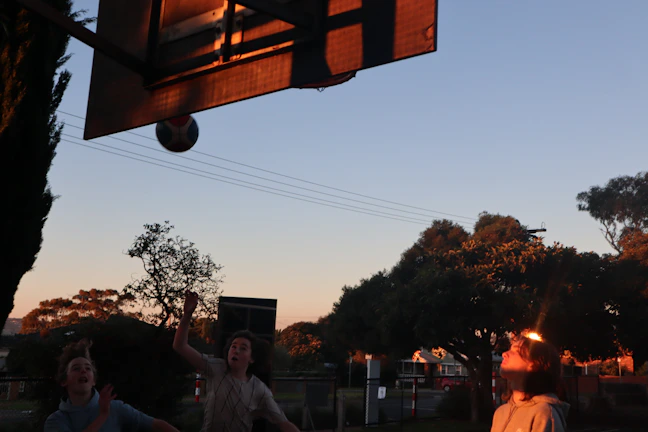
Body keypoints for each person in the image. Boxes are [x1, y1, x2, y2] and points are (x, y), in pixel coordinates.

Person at [173, 290, 300, 432]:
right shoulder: (216, 368)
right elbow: (180, 346)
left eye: (243, 348)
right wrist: (187, 315)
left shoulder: (259, 389)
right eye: (233, 346)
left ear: (252, 358)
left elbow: (284, 423)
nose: (236, 350)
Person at [44, 339, 179, 432]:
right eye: (76, 368)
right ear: (64, 381)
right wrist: (102, 416)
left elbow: (158, 426)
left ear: (94, 381)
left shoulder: (115, 408)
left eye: (88, 368)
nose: (83, 371)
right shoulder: (56, 420)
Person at [491, 332, 570, 432]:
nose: (504, 354)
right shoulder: (500, 413)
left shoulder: (544, 413)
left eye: (516, 351)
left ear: (534, 364)